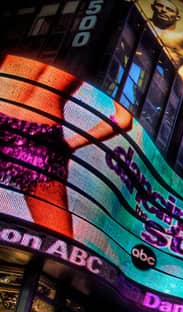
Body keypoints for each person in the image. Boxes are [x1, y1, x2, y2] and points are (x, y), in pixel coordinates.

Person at [0, 55, 133, 238]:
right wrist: (70, 145)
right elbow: (124, 119)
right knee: (58, 242)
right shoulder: (112, 50)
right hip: (43, 139)